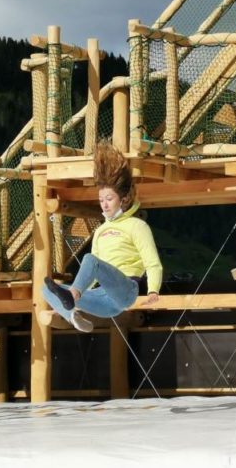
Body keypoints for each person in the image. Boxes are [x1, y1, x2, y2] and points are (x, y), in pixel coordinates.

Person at [43, 141, 163, 332]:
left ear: (122, 199)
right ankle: (72, 315)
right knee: (46, 288)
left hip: (125, 290)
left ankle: (71, 298)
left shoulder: (137, 225)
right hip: (102, 300)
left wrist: (153, 290)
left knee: (91, 260)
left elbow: (153, 263)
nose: (104, 205)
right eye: (101, 200)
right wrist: (76, 296)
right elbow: (91, 275)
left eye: (109, 199)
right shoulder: (100, 231)